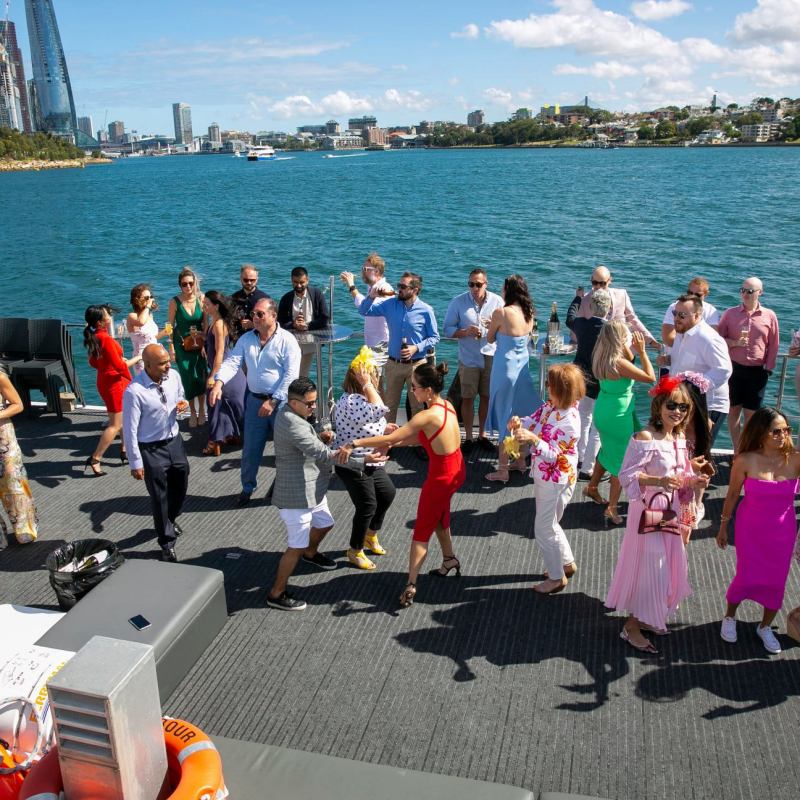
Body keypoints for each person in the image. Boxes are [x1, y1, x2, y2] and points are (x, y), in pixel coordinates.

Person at [605, 375, 708, 653]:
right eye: (672, 405)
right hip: (647, 513)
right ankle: (632, 626)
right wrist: (658, 482)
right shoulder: (646, 437)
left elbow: (680, 476)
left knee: (667, 566)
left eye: (684, 408)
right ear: (660, 405)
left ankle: (647, 616)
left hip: (669, 511)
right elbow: (626, 475)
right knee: (652, 567)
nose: (677, 412)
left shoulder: (679, 437)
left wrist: (694, 478)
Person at [353, 363, 466, 608]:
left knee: (422, 531)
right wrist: (394, 445)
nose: (411, 391)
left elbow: (394, 436)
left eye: (413, 387)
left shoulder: (425, 415)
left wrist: (355, 443)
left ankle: (411, 584)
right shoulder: (445, 406)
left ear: (426, 390)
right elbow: (423, 437)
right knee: (440, 516)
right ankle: (449, 559)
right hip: (456, 469)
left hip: (441, 477)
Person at [267, 377, 378, 611]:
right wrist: (364, 459)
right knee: (294, 546)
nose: (314, 407)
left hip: (311, 489)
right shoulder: (292, 423)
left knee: (326, 523)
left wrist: (320, 437)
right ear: (293, 402)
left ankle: (310, 552)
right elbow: (324, 455)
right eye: (309, 404)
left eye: (315, 402)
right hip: (296, 495)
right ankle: (276, 593)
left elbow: (311, 445)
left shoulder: (293, 414)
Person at [715, 407, 800, 655]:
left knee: (777, 580)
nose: (782, 435)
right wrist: (722, 526)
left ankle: (765, 626)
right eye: (776, 431)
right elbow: (731, 495)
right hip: (750, 529)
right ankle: (729, 617)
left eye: (787, 430)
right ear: (762, 432)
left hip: (783, 531)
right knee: (746, 575)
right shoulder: (745, 460)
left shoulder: (796, 459)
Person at [210, 297, 301, 506]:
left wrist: (274, 400)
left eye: (260, 314)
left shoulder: (287, 341)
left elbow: (291, 376)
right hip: (254, 402)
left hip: (281, 405)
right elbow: (232, 363)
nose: (255, 318)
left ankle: (284, 487)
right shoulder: (246, 339)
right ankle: (247, 488)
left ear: (273, 316)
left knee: (285, 450)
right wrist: (218, 383)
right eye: (253, 314)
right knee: (250, 449)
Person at [509, 363, 586, 594]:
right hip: (548, 476)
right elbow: (534, 419)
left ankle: (556, 577)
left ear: (559, 390)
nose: (546, 387)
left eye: (549, 385)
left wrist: (533, 440)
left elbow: (557, 456)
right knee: (551, 524)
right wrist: (520, 423)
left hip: (556, 479)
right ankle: (566, 563)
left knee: (543, 528)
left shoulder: (569, 421)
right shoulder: (552, 406)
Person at [122, 344, 190, 562]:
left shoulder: (174, 377)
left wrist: (183, 403)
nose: (167, 366)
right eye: (162, 364)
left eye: (168, 361)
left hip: (174, 441)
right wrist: (135, 462)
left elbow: (181, 394)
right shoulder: (134, 392)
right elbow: (130, 429)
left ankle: (169, 519)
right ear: (147, 365)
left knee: (181, 482)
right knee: (159, 496)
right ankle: (166, 542)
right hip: (151, 448)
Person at [587, 322, 655, 525]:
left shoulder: (600, 354)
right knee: (621, 463)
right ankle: (612, 508)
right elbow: (649, 377)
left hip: (605, 408)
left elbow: (629, 359)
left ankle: (591, 487)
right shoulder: (618, 363)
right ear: (619, 340)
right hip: (618, 415)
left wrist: (623, 339)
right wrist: (643, 352)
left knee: (608, 451)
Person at [333, 356, 397, 570]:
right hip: (353, 463)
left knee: (387, 493)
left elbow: (372, 420)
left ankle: (370, 535)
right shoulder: (353, 400)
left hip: (372, 460)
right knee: (367, 505)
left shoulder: (361, 401)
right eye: (373, 376)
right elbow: (379, 409)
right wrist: (367, 383)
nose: (377, 379)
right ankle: (355, 549)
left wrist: (384, 429)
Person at [358, 271, 439, 424]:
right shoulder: (390, 304)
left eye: (403, 286)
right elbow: (364, 311)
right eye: (398, 285)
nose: (399, 289)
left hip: (416, 365)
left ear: (414, 290)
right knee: (389, 406)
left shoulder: (426, 310)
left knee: (417, 407)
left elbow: (435, 337)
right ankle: (388, 444)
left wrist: (416, 347)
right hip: (393, 364)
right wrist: (372, 295)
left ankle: (417, 444)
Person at [485, 274, 541, 482]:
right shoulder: (529, 313)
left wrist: (490, 324)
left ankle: (502, 469)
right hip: (522, 369)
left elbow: (490, 338)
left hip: (504, 370)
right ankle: (519, 461)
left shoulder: (501, 312)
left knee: (504, 416)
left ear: (508, 289)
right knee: (519, 415)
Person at [443, 268, 504, 451]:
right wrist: (464, 332)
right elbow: (447, 329)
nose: (474, 288)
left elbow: (504, 328)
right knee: (467, 398)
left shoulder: (497, 301)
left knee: (486, 396)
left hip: (490, 356)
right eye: (471, 284)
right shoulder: (458, 302)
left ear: (486, 284)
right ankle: (468, 437)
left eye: (478, 284)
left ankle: (482, 435)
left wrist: (487, 331)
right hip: (468, 358)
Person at [717, 277, 779, 452]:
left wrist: (769, 367)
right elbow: (718, 340)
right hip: (734, 369)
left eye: (750, 291)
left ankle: (747, 450)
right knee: (733, 411)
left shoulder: (769, 315)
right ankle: (737, 450)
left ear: (760, 292)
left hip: (757, 371)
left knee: (752, 416)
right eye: (742, 290)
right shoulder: (730, 313)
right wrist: (735, 343)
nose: (745, 294)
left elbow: (774, 343)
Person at [667, 294, 732, 446]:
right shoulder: (681, 333)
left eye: (682, 315)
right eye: (674, 313)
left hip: (708, 405)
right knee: (684, 449)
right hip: (686, 402)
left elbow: (724, 369)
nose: (676, 318)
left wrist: (695, 387)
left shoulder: (709, 338)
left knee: (700, 452)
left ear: (697, 315)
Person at [83, 305, 141, 476]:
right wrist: (137, 357)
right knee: (115, 425)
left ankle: (125, 451)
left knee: (122, 420)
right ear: (102, 321)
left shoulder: (96, 337)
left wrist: (109, 363)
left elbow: (93, 362)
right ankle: (95, 458)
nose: (110, 316)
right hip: (115, 384)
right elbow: (121, 366)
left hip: (105, 382)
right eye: (108, 314)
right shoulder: (106, 339)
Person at [567, 286, 612, 481]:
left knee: (583, 419)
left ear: (591, 307)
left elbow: (570, 317)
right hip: (601, 380)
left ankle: (579, 457)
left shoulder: (581, 325)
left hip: (581, 379)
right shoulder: (610, 330)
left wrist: (577, 299)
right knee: (598, 426)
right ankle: (588, 468)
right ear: (608, 308)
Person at [339, 252, 394, 388]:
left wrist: (351, 285)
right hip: (374, 345)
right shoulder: (372, 288)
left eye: (366, 270)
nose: (362, 272)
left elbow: (366, 309)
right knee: (374, 384)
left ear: (376, 271)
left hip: (381, 345)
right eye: (363, 269)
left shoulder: (383, 289)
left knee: (374, 385)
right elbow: (364, 305)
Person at [202, 291, 245, 456]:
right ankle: (231, 435)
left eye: (207, 304)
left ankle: (214, 441)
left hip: (224, 370)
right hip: (228, 370)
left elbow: (219, 353)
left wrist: (213, 376)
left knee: (213, 400)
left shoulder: (219, 324)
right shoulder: (215, 322)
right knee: (223, 404)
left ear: (216, 306)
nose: (204, 306)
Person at [0, 367, 38, 545]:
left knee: (13, 483)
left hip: (3, 437)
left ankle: (24, 529)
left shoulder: (0, 376)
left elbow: (18, 404)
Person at [576, 265, 657, 346]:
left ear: (609, 281)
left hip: (622, 347)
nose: (598, 287)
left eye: (602, 283)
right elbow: (578, 327)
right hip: (597, 349)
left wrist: (651, 341)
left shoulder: (622, 295)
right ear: (591, 280)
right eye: (595, 283)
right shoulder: (584, 300)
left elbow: (633, 320)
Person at [167, 267, 207, 428]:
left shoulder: (201, 299)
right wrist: (171, 347)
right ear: (180, 285)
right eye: (184, 284)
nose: (188, 287)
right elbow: (169, 325)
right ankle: (192, 412)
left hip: (200, 344)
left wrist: (205, 341)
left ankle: (202, 410)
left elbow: (205, 322)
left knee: (201, 376)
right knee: (188, 378)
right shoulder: (174, 302)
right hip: (182, 345)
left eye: (191, 283)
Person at [277, 266, 330, 377]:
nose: (299, 285)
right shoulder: (286, 298)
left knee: (302, 374)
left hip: (310, 341)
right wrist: (294, 324)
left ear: (307, 280)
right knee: (288, 373)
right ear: (291, 281)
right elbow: (280, 322)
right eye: (296, 282)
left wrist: (307, 326)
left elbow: (325, 318)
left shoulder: (316, 294)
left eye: (302, 282)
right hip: (290, 343)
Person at [661, 277, 720, 348]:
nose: (693, 296)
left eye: (698, 295)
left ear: (706, 294)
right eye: (690, 293)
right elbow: (668, 338)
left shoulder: (711, 311)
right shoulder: (675, 307)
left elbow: (712, 337)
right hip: (676, 353)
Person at [127, 284, 169, 375]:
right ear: (137, 300)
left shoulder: (150, 316)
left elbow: (152, 338)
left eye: (151, 297)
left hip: (155, 356)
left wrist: (164, 332)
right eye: (146, 298)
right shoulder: (132, 316)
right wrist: (148, 306)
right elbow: (141, 322)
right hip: (142, 358)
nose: (150, 300)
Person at [230, 264, 269, 337]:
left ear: (257, 279)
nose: (249, 283)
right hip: (237, 340)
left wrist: (253, 325)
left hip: (257, 339)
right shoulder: (233, 298)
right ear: (241, 279)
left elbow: (270, 324)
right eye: (246, 280)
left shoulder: (265, 299)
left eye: (252, 280)